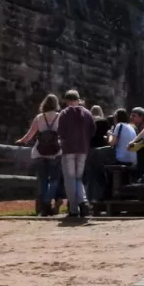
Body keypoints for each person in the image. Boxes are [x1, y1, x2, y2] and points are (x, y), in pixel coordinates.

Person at [18, 93, 63, 216]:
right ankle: (47, 202)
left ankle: (44, 206)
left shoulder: (39, 117)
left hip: (39, 152)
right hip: (55, 152)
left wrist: (21, 141)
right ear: (56, 104)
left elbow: (30, 134)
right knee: (54, 180)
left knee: (43, 180)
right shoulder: (60, 117)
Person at [56, 89, 96, 221]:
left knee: (70, 179)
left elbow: (60, 131)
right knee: (78, 178)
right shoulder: (87, 113)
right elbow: (92, 130)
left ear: (67, 100)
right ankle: (83, 202)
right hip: (83, 148)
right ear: (78, 99)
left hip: (68, 149)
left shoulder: (64, 113)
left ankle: (74, 208)